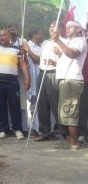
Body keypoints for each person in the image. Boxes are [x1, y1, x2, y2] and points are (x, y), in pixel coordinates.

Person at [53, 21, 87, 150]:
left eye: (70, 27)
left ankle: (74, 142)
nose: (67, 29)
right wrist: (59, 53)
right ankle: (71, 140)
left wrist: (58, 41)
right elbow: (67, 57)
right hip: (65, 80)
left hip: (72, 80)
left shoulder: (80, 41)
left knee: (70, 111)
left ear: (78, 29)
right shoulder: (69, 42)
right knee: (66, 112)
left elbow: (72, 54)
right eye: (66, 27)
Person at [0, 29, 30, 140]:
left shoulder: (17, 49)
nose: (1, 37)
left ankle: (17, 129)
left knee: (15, 107)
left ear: (10, 37)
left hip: (12, 83)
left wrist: (27, 79)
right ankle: (4, 130)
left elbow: (23, 64)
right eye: (0, 35)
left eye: (4, 35)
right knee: (1, 107)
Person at [35, 21, 68, 141]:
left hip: (54, 74)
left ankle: (66, 133)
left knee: (56, 104)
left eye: (54, 26)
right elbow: (40, 58)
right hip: (42, 73)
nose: (51, 29)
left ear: (61, 29)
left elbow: (69, 61)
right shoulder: (45, 42)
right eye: (50, 26)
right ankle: (44, 132)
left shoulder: (64, 42)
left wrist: (56, 61)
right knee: (42, 103)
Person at [7, 23, 29, 134]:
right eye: (9, 29)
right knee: (10, 103)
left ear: (17, 30)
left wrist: (24, 53)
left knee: (22, 103)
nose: (11, 31)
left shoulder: (22, 41)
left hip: (20, 75)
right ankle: (11, 127)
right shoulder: (5, 42)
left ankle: (24, 128)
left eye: (13, 29)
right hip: (9, 75)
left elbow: (26, 61)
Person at [23, 28, 44, 134]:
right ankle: (36, 129)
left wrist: (28, 50)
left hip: (40, 78)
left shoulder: (40, 47)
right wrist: (26, 50)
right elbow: (35, 60)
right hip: (32, 78)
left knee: (41, 104)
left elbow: (39, 60)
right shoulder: (27, 45)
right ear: (35, 34)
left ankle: (41, 127)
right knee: (34, 103)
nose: (42, 36)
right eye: (40, 34)